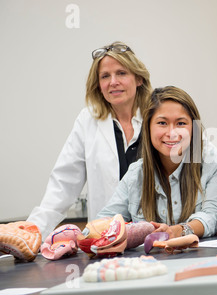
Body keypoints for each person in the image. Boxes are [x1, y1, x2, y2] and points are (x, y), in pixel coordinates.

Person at [27, 41, 152, 240]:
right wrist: (30, 233)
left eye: (121, 73)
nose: (113, 82)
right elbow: (63, 184)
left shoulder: (158, 116)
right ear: (98, 85)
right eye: (105, 76)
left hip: (156, 237)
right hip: (105, 240)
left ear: (138, 78)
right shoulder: (88, 121)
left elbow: (198, 157)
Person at [96, 86, 217, 238]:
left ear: (194, 128)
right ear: (148, 127)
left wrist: (178, 231)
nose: (171, 133)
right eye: (162, 123)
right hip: (149, 261)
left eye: (181, 123)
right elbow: (106, 219)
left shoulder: (215, 165)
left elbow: (212, 217)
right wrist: (80, 236)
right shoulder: (136, 173)